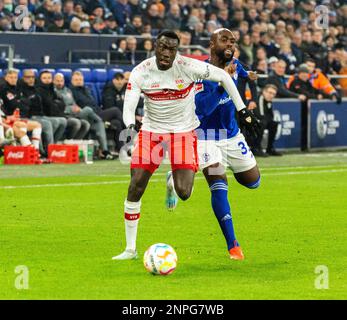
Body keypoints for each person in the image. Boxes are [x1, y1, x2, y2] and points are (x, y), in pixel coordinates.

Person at [112, 30, 260, 260]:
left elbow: (223, 77)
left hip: (183, 134)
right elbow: (129, 104)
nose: (166, 53)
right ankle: (130, 249)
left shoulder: (188, 66)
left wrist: (243, 110)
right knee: (136, 185)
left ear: (177, 51)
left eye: (171, 49)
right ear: (155, 47)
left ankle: (173, 180)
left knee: (186, 193)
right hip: (157, 133)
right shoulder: (141, 71)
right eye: (162, 47)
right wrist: (130, 127)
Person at [166, 29, 262, 260]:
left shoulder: (235, 64)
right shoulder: (200, 73)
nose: (231, 45)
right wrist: (222, 83)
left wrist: (249, 80)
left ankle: (175, 174)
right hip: (205, 137)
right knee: (219, 184)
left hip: (231, 135)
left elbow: (243, 75)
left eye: (233, 42)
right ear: (211, 44)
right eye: (225, 40)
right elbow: (203, 109)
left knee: (253, 182)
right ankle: (233, 245)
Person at [69, 71, 115, 159]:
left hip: (93, 116)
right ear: (71, 81)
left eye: (80, 79)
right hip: (81, 115)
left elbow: (93, 103)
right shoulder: (70, 91)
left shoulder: (86, 89)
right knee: (89, 109)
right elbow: (74, 105)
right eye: (76, 80)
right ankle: (103, 121)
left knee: (100, 124)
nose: (78, 81)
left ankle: (105, 151)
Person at [0, 69, 42, 152]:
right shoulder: (4, 89)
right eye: (10, 77)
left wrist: (20, 103)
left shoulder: (18, 88)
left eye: (15, 77)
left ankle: (34, 151)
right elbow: (13, 104)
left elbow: (26, 104)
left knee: (37, 125)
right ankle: (28, 152)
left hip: (13, 118)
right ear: (5, 78)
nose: (13, 79)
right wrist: (6, 117)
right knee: (20, 130)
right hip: (7, 120)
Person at [53, 73, 91, 140]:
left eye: (61, 81)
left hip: (73, 115)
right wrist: (71, 109)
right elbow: (57, 107)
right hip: (63, 115)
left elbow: (73, 103)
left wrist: (77, 109)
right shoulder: (53, 91)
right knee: (76, 123)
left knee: (86, 124)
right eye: (57, 81)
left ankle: (76, 143)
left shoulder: (68, 90)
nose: (59, 83)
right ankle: (68, 141)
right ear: (53, 81)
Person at [36, 70, 67, 142]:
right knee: (55, 121)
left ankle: (54, 143)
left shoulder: (52, 89)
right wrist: (55, 104)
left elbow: (62, 104)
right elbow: (47, 104)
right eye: (44, 78)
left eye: (49, 78)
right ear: (40, 79)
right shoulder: (38, 90)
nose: (47, 80)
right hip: (43, 115)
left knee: (64, 121)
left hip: (54, 114)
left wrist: (54, 103)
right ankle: (48, 145)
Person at [253, 84, 282, 157]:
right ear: (264, 92)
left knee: (274, 124)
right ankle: (256, 148)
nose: (271, 95)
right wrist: (266, 120)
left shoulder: (269, 101)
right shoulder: (260, 98)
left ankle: (270, 148)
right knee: (262, 123)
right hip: (250, 122)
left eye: (273, 94)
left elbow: (270, 115)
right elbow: (259, 115)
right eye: (270, 93)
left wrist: (270, 121)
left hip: (261, 120)